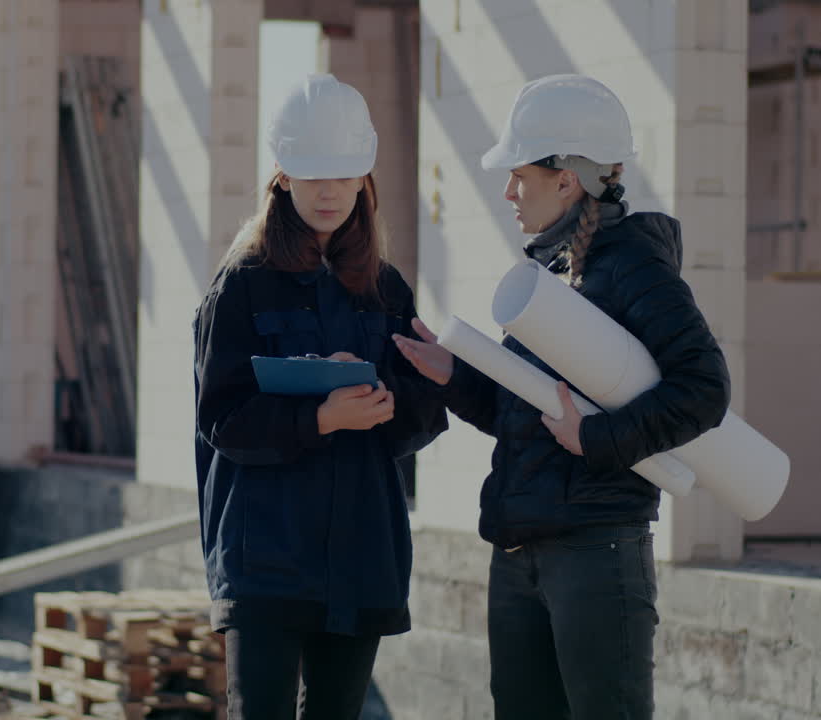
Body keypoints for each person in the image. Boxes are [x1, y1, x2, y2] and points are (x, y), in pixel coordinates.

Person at [393, 74, 731, 719]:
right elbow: (522, 415)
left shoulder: (632, 263)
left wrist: (598, 438)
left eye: (519, 175)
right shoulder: (551, 274)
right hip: (521, 550)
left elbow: (704, 387)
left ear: (567, 179)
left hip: (595, 553)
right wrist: (452, 375)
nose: (508, 192)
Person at [192, 73, 448, 720]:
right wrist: (321, 417)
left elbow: (418, 426)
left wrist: (401, 395)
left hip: (359, 555)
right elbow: (222, 419)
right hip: (266, 555)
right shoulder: (244, 284)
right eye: (312, 175)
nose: (329, 191)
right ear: (281, 175)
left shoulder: (386, 289)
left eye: (343, 175)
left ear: (365, 178)